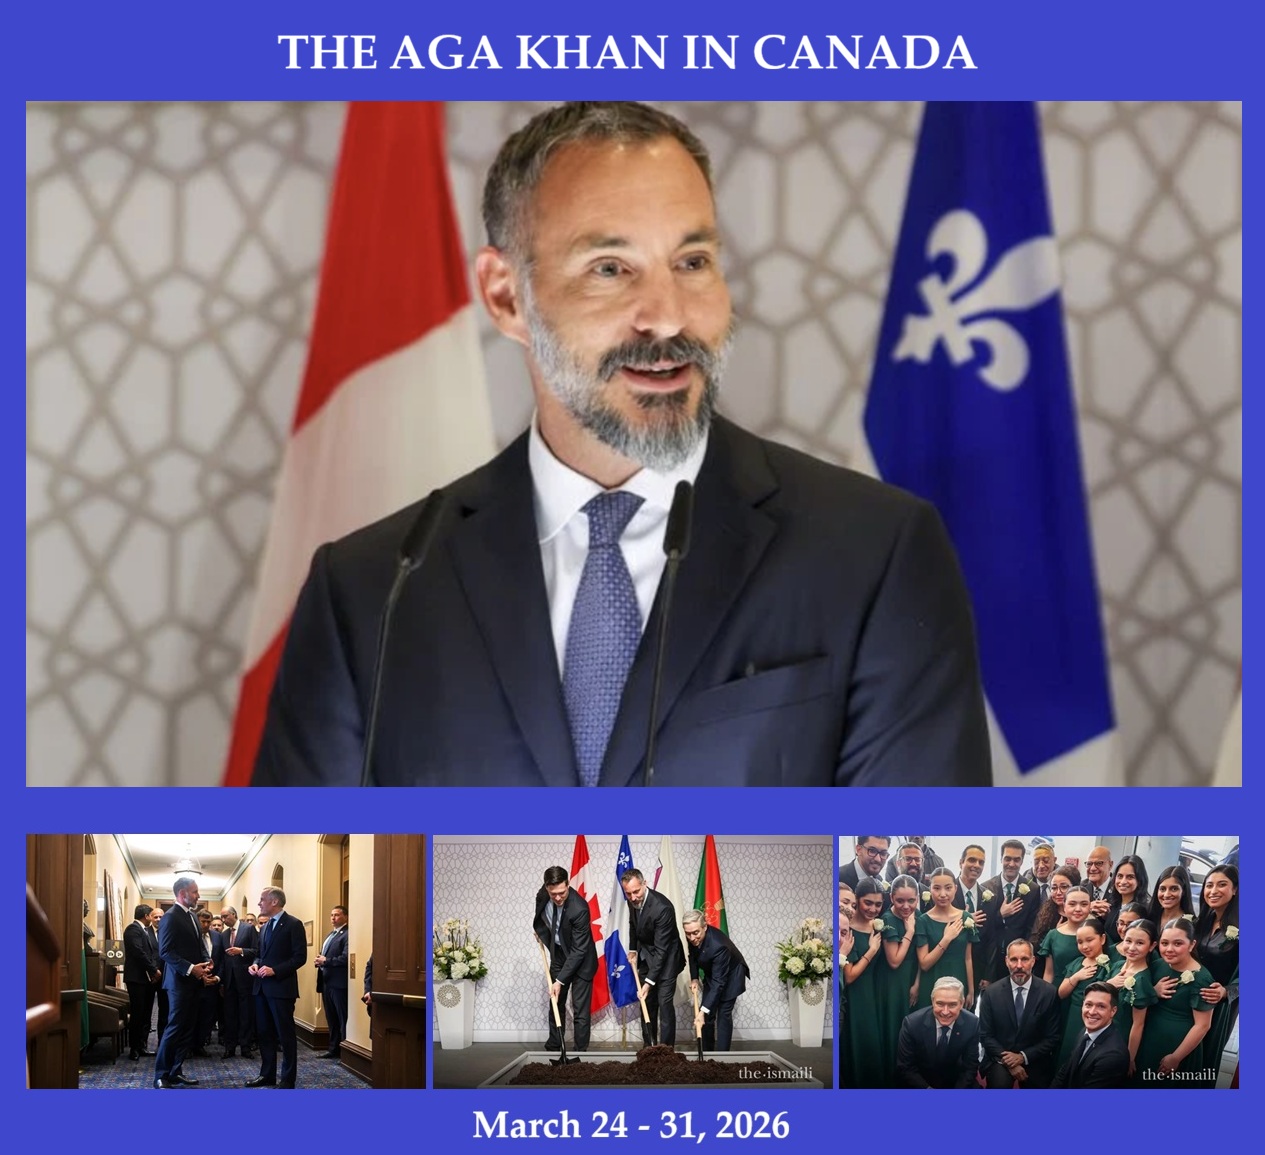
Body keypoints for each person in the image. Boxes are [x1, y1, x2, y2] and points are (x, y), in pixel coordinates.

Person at [251, 99, 990, 789]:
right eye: (610, 268)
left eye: (692, 261)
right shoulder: (372, 588)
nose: (667, 317)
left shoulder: (877, 553)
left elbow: (899, 870)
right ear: (507, 295)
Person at [1133, 917, 1213, 1086]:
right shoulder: (1157, 965)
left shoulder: (1202, 978)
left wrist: (1176, 1057)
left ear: (1192, 945)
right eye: (1164, 943)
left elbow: (1203, 1025)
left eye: (1177, 944)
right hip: (1149, 1040)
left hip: (1177, 1047)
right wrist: (1153, 991)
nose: (1169, 949)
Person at [153, 877, 213, 1089]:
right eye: (195, 892)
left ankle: (176, 1071)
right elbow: (166, 951)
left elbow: (194, 948)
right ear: (182, 893)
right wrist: (190, 968)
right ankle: (161, 1074)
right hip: (178, 983)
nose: (198, 895)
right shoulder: (170, 917)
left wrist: (204, 965)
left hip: (194, 982)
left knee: (187, 1029)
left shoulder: (193, 917)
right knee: (174, 1028)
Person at [245, 886, 307, 1088]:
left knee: (285, 1035)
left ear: (274, 901)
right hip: (261, 989)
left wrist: (275, 970)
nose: (259, 903)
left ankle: (288, 1079)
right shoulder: (264, 928)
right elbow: (260, 954)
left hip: (281, 989)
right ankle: (267, 1074)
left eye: (262, 899)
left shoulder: (293, 924)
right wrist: (255, 963)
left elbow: (300, 958)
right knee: (264, 1033)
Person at [978, 938, 1061, 1088]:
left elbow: (1052, 1037)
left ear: (1033, 961)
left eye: (1024, 959)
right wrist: (1009, 1062)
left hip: (1034, 1058)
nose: (1019, 966)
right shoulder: (991, 993)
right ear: (1006, 961)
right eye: (1014, 959)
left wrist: (1022, 1057)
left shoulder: (1049, 993)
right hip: (1000, 1057)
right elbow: (985, 1035)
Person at [533, 866, 598, 1052]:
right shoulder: (543, 894)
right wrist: (541, 931)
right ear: (547, 888)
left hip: (582, 960)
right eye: (554, 894)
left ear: (568, 885)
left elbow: (578, 950)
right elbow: (541, 915)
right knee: (555, 1001)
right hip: (560, 954)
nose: (558, 897)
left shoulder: (580, 908)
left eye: (562, 892)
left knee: (580, 1009)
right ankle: (555, 1044)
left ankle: (580, 1051)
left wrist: (560, 980)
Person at [622, 868, 685, 1046]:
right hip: (646, 957)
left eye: (636, 891)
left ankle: (666, 1052)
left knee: (664, 1005)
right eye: (629, 893)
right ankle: (649, 1048)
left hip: (667, 960)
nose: (633, 897)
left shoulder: (662, 908)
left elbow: (662, 951)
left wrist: (649, 983)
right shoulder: (632, 901)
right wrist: (633, 949)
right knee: (646, 1005)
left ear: (645, 884)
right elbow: (633, 925)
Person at [1193, 864, 1238, 1083]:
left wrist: (1226, 991)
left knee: (1204, 1060)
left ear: (1235, 889)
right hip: (1191, 998)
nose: (1213, 890)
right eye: (1209, 885)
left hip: (1219, 1004)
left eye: (1222, 885)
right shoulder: (1203, 920)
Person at [840, 877, 886, 1086]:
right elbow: (848, 976)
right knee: (855, 1044)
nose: (873, 909)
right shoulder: (846, 928)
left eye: (878, 904)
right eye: (868, 903)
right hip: (856, 996)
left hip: (874, 994)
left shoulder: (877, 926)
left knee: (872, 1046)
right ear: (857, 900)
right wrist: (872, 950)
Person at [876, 874, 922, 1080]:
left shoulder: (919, 915)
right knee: (895, 1030)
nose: (906, 906)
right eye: (900, 900)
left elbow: (922, 956)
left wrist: (917, 984)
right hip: (893, 982)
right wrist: (910, 931)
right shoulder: (888, 919)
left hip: (913, 980)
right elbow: (894, 960)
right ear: (891, 898)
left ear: (918, 898)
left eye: (911, 900)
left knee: (913, 1033)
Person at [896, 977, 980, 1088]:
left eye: (952, 1005)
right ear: (932, 1001)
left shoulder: (972, 1023)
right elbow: (906, 1067)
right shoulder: (912, 1023)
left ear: (961, 1003)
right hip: (921, 1084)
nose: (945, 1012)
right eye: (940, 1004)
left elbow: (970, 1067)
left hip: (955, 1083)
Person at [684, 909, 749, 1052]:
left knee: (723, 1014)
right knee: (707, 1013)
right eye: (688, 933)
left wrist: (701, 1012)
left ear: (705, 927)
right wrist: (694, 978)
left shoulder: (719, 946)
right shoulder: (692, 935)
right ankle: (707, 1052)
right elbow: (692, 956)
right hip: (715, 974)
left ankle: (722, 1057)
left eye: (696, 933)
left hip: (732, 976)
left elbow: (719, 983)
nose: (692, 937)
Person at [1054, 916, 1113, 1069]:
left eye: (1089, 940)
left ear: (1102, 939)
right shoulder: (1076, 963)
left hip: (1098, 1018)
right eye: (1080, 942)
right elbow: (1061, 993)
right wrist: (1076, 977)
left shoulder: (1111, 965)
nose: (1085, 946)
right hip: (1074, 1016)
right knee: (1069, 1055)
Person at [978, 839, 1041, 983]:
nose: (1011, 864)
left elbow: (1031, 927)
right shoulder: (985, 888)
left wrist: (1025, 957)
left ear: (1022, 861)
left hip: (1018, 962)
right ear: (1001, 859)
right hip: (991, 959)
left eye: (1016, 860)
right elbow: (984, 928)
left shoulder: (1032, 890)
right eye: (1007, 859)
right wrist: (1000, 915)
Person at [915, 867, 977, 1012]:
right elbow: (924, 963)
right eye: (937, 888)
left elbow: (968, 958)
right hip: (931, 979)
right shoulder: (923, 920)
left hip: (959, 977)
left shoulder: (965, 917)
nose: (943, 894)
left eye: (948, 888)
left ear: (955, 889)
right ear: (930, 889)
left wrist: (971, 990)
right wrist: (946, 939)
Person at [1050, 982, 1130, 1088]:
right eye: (1088, 1005)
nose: (1092, 1012)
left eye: (1101, 1006)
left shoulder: (1113, 1056)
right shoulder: (1085, 1031)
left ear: (1113, 1011)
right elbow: (1066, 1070)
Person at [1106, 919, 1159, 1076]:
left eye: (1140, 943)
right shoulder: (1117, 966)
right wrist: (1109, 984)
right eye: (1128, 941)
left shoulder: (1141, 980)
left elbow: (1138, 1024)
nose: (1132, 948)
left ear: (1152, 946)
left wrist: (1129, 1058)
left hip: (1119, 1038)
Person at [219, 906, 258, 1059]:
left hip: (246, 980)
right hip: (229, 981)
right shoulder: (224, 934)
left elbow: (257, 951)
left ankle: (245, 1047)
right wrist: (220, 980)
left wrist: (241, 951)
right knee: (229, 1015)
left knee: (246, 1014)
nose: (223, 920)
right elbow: (222, 959)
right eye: (221, 917)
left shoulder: (248, 929)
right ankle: (230, 1048)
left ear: (233, 914)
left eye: (225, 916)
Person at [123, 903, 160, 1061]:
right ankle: (134, 1049)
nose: (153, 919)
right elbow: (138, 952)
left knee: (146, 1014)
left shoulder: (143, 930)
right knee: (137, 1015)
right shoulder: (133, 929)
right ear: (146, 916)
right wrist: (153, 970)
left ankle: (142, 1045)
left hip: (145, 980)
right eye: (151, 915)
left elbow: (149, 952)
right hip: (136, 979)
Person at [315, 905, 350, 1058]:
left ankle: (344, 1050)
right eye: (331, 915)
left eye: (336, 915)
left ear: (346, 917)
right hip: (326, 981)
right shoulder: (331, 934)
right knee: (331, 1018)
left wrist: (326, 961)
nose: (333, 918)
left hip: (339, 983)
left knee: (342, 1018)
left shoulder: (347, 934)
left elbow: (346, 958)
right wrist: (320, 961)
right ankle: (333, 1048)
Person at [1146, 866, 1196, 964]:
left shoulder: (1192, 923)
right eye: (1163, 889)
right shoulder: (1149, 916)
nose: (1167, 894)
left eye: (1174, 889)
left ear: (1184, 890)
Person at [193, 909, 224, 1056]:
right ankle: (188, 1047)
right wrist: (201, 976)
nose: (205, 924)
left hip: (212, 983)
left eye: (208, 921)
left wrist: (217, 978)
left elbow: (222, 960)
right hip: (195, 983)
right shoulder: (191, 936)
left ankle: (199, 1045)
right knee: (192, 1016)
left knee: (208, 1016)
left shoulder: (217, 937)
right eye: (203, 921)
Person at [1105, 855, 1150, 943]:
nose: (1123, 882)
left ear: (1140, 880)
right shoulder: (1111, 905)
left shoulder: (1145, 910)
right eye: (1120, 876)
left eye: (1130, 877)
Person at [839, 837, 892, 909]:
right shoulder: (838, 877)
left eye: (883, 853)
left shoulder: (880, 882)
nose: (878, 859)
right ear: (858, 850)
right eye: (872, 851)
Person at [1083, 846, 1114, 922]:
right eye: (1089, 864)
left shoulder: (1119, 888)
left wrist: (1109, 915)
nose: (1093, 868)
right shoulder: (1081, 888)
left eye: (1099, 863)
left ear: (1110, 865)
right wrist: (1087, 908)